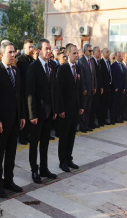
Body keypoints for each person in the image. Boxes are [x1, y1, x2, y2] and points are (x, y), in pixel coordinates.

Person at [0, 41, 25, 198]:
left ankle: (9, 180)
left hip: (15, 119)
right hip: (2, 121)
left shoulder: (16, 70)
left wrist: (22, 115)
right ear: (2, 54)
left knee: (11, 152)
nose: (12, 55)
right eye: (9, 52)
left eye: (14, 52)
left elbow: (20, 95)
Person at [26, 38, 57, 184]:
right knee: (34, 143)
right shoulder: (33, 67)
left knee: (45, 142)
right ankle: (34, 169)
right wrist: (32, 114)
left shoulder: (52, 66)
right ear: (39, 51)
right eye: (46, 49)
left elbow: (53, 90)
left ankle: (44, 168)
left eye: (50, 49)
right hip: (37, 114)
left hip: (48, 112)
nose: (49, 51)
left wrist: (54, 109)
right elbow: (30, 93)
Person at [56, 44, 84, 172]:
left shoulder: (78, 68)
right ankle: (62, 161)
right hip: (65, 109)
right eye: (73, 53)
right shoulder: (63, 69)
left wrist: (81, 106)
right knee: (64, 135)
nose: (76, 55)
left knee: (72, 134)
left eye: (77, 53)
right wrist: (60, 109)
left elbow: (79, 89)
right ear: (67, 55)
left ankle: (69, 158)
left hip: (75, 108)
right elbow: (59, 91)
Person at [16, 39, 35, 145]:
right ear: (24, 48)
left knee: (29, 114)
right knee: (22, 115)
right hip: (22, 92)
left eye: (32, 46)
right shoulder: (19, 60)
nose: (31, 49)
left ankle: (27, 134)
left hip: (30, 92)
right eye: (29, 47)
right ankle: (21, 136)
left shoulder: (32, 60)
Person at [78, 44, 96, 132]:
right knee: (83, 108)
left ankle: (87, 124)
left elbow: (94, 75)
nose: (90, 52)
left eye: (91, 51)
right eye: (89, 51)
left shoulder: (91, 61)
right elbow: (81, 77)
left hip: (91, 89)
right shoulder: (81, 61)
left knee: (89, 108)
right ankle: (82, 126)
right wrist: (84, 88)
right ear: (85, 51)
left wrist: (94, 86)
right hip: (85, 90)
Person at [90, 46, 102, 129]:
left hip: (98, 88)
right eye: (98, 51)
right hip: (94, 88)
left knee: (96, 106)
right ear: (94, 52)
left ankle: (93, 122)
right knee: (92, 107)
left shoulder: (98, 62)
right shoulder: (92, 61)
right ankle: (90, 123)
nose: (100, 53)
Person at [110, 52, 124, 123]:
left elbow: (123, 77)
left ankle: (117, 117)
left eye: (120, 56)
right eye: (118, 56)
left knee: (119, 104)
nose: (120, 58)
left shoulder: (121, 65)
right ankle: (113, 119)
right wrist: (115, 86)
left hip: (121, 87)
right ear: (115, 56)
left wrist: (123, 87)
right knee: (114, 104)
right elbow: (113, 77)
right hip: (115, 88)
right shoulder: (113, 65)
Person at [99, 48, 112, 126]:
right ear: (103, 54)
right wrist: (102, 87)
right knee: (102, 105)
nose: (108, 53)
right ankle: (101, 121)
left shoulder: (108, 62)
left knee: (106, 104)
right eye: (107, 52)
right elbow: (101, 76)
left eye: (108, 52)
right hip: (103, 87)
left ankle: (104, 120)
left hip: (108, 86)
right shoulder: (101, 62)